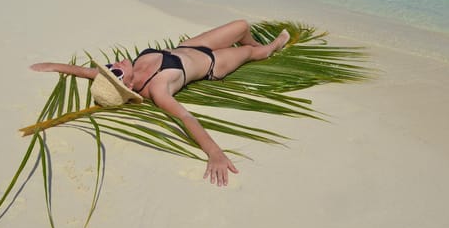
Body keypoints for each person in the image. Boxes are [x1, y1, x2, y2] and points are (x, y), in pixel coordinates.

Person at [31, 20, 290, 187]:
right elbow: (187, 118)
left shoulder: (120, 73)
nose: (115, 65)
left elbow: (85, 71)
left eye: (111, 68)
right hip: (212, 64)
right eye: (116, 72)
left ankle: (255, 43)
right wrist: (215, 153)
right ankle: (270, 47)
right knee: (253, 53)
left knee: (242, 26)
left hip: (190, 46)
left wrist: (52, 65)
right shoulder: (158, 89)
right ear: (127, 87)